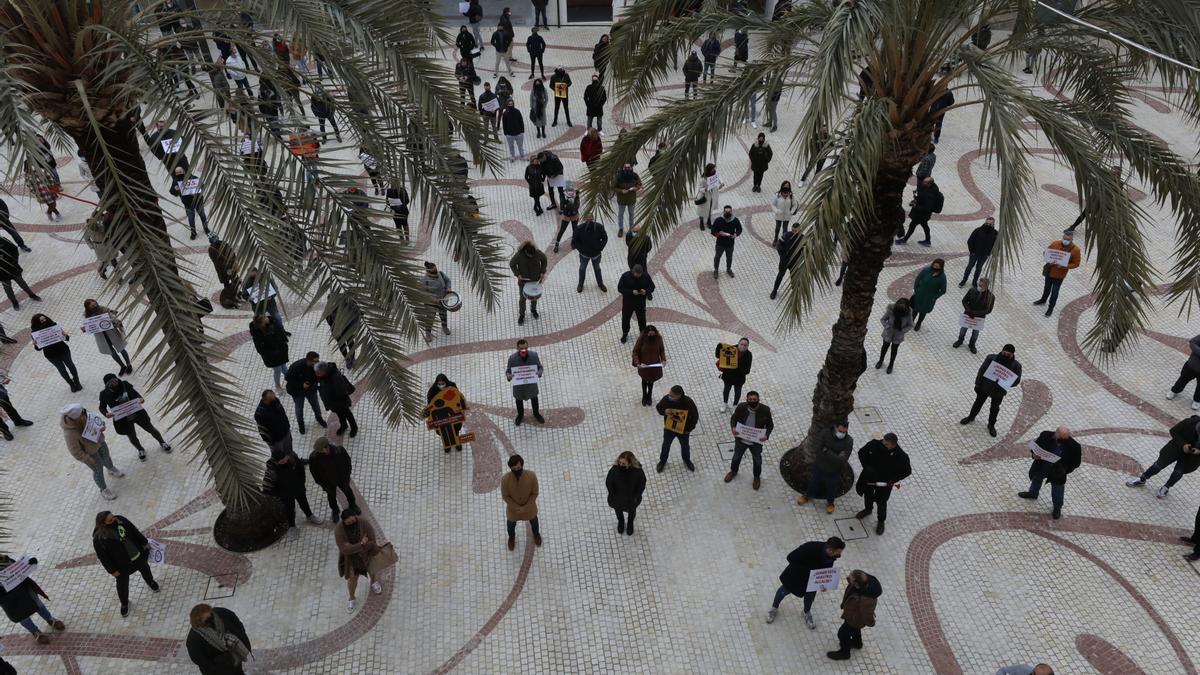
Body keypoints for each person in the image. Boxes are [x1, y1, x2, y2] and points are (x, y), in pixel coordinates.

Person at [765, 537, 845, 629]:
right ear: (831, 550)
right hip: (796, 576)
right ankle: (774, 608)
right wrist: (807, 570)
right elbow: (790, 557)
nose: (839, 555)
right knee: (783, 591)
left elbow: (826, 570)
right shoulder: (810, 547)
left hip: (812, 581)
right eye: (838, 553)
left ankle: (806, 612)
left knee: (809, 597)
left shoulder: (831, 556)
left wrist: (823, 583)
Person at [92, 511, 159, 616]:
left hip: (137, 555)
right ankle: (124, 603)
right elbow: (103, 557)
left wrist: (144, 542)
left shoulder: (121, 520)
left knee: (145, 569)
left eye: (112, 517)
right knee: (122, 585)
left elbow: (133, 530)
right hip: (121, 565)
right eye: (110, 520)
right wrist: (112, 570)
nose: (113, 519)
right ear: (103, 523)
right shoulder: (99, 538)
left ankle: (150, 582)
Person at [99, 373, 170, 461]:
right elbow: (102, 407)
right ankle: (140, 449)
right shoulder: (104, 394)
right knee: (132, 436)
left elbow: (135, 393)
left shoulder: (125, 384)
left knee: (151, 429)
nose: (114, 383)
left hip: (137, 413)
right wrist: (106, 413)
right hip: (123, 420)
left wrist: (140, 398)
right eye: (111, 382)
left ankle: (162, 442)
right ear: (107, 385)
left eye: (115, 380)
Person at [1125, 415, 1200, 498]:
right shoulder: (1189, 422)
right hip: (1175, 448)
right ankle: (1142, 479)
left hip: (1191, 457)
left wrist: (1198, 451)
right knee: (1158, 465)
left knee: (1178, 473)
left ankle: (1166, 487)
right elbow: (1174, 431)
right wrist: (1183, 444)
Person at [1018, 426, 1081, 519]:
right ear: (1056, 434)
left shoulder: (1074, 446)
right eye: (1061, 439)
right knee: (1036, 479)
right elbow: (1035, 447)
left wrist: (1064, 470)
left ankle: (1057, 508)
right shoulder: (1045, 435)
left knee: (1058, 490)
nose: (1062, 441)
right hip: (1042, 465)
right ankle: (1032, 494)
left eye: (1065, 439)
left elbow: (1076, 463)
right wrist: (1034, 454)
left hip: (1057, 472)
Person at [0, 554, 65, 645]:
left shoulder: (2, 558)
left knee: (38, 605)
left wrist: (28, 564)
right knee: (22, 616)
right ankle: (35, 631)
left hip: (23, 588)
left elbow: (15, 566)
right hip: (7, 598)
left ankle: (50, 619)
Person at [960, 343, 1022, 437]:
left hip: (999, 391)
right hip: (985, 387)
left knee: (994, 409)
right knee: (978, 403)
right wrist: (978, 384)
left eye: (1008, 354)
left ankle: (991, 425)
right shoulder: (991, 358)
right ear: (1002, 351)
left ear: (1012, 354)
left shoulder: (1016, 366)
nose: (1005, 355)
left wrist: (1005, 382)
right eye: (1004, 352)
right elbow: (982, 371)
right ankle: (971, 417)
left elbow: (1016, 381)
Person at [854, 433, 911, 534]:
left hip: (885, 482)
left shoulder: (901, 456)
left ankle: (881, 521)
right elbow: (861, 453)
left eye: (886, 444)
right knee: (868, 494)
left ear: (893, 445)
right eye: (883, 442)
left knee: (881, 501)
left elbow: (906, 471)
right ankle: (868, 509)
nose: (883, 445)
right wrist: (866, 467)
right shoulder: (875, 444)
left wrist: (893, 479)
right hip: (870, 477)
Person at [63, 404, 123, 500]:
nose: (86, 415)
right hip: (90, 452)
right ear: (76, 418)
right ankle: (103, 489)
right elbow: (75, 450)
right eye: (83, 415)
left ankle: (111, 468)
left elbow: (97, 421)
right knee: (97, 470)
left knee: (106, 455)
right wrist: (86, 459)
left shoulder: (85, 414)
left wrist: (102, 425)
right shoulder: (70, 433)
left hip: (99, 442)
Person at [826, 570, 883, 660]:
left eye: (850, 580)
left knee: (842, 634)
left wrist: (871, 623)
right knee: (855, 630)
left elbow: (868, 614)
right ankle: (857, 643)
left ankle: (845, 653)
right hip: (855, 617)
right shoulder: (863, 584)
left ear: (857, 584)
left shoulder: (865, 600)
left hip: (855, 619)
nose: (848, 580)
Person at [334, 509, 382, 614]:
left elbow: (372, 540)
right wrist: (361, 544)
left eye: (353, 521)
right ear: (344, 521)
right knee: (352, 579)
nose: (351, 523)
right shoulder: (339, 530)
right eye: (349, 522)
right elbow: (345, 549)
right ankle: (351, 598)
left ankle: (374, 582)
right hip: (351, 559)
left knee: (372, 569)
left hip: (366, 554)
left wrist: (357, 547)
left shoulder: (363, 522)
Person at [799, 421, 852, 514]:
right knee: (813, 482)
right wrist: (835, 455)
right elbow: (817, 448)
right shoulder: (825, 433)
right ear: (835, 427)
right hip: (819, 465)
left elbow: (843, 459)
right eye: (840, 431)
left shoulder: (848, 441)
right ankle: (807, 496)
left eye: (844, 432)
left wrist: (827, 451)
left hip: (834, 469)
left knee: (832, 487)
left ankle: (830, 503)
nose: (842, 434)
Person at [263, 444, 321, 529]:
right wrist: (282, 494)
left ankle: (310, 516)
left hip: (299, 489)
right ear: (276, 461)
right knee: (289, 510)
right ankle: (292, 526)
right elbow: (267, 489)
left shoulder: (292, 459)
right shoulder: (271, 472)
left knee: (304, 504)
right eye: (282, 461)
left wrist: (301, 483)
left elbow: (301, 469)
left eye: (285, 459)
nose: (285, 462)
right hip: (286, 496)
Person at [725, 391, 773, 490]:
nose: (752, 401)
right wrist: (733, 427)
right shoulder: (741, 407)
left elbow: (770, 425)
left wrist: (766, 435)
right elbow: (733, 419)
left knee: (757, 461)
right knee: (736, 458)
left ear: (758, 400)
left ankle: (756, 477)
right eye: (750, 400)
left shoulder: (765, 410)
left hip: (756, 442)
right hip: (741, 439)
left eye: (754, 399)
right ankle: (733, 471)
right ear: (746, 400)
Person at [186, 603, 252, 675]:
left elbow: (237, 624)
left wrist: (243, 639)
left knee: (239, 672)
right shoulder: (193, 639)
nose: (210, 618)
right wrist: (220, 663)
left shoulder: (221, 613)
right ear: (199, 622)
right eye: (205, 619)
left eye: (210, 615)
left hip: (235, 655)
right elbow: (199, 660)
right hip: (220, 669)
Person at [1032, 229, 1081, 317]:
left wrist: (1064, 266)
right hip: (1050, 271)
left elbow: (1076, 264)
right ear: (1062, 237)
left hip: (1060, 274)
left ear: (1071, 240)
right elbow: (1046, 252)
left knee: (1055, 291)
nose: (1065, 241)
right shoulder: (1055, 243)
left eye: (1068, 240)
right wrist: (1048, 258)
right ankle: (1043, 300)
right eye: (1064, 238)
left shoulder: (1076, 250)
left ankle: (1051, 307)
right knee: (1047, 287)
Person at [310, 436, 357, 522]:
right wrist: (321, 483)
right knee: (331, 496)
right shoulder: (314, 457)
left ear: (326, 447)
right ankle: (335, 510)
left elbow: (347, 462)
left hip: (341, 478)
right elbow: (314, 472)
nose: (318, 451)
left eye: (320, 449)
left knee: (347, 491)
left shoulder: (339, 451)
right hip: (327, 482)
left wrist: (347, 475)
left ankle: (353, 505)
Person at [655, 385, 699, 473]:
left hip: (683, 431)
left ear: (679, 395)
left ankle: (687, 460)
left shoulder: (688, 402)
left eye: (672, 395)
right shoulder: (666, 399)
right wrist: (664, 412)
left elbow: (695, 416)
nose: (669, 396)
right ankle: (662, 461)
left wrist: (689, 429)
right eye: (669, 394)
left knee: (685, 446)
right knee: (666, 445)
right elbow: (658, 407)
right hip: (669, 429)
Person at [82, 299, 133, 375]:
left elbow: (113, 317)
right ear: (88, 308)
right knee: (112, 353)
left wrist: (113, 321)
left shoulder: (104, 310)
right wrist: (85, 329)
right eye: (92, 306)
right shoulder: (87, 316)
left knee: (121, 349)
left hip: (112, 334)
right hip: (101, 337)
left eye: (95, 304)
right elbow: (89, 327)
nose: (95, 306)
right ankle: (122, 366)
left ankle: (129, 364)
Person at [501, 454, 542, 549]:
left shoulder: (531, 476)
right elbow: (505, 496)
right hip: (513, 510)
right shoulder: (505, 480)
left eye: (518, 468)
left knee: (534, 521)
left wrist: (526, 508)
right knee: (510, 525)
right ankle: (511, 537)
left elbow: (534, 493)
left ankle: (536, 534)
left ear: (522, 465)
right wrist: (517, 508)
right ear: (510, 468)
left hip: (529, 508)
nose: (516, 470)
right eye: (514, 469)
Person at [32, 314, 80, 391]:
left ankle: (77, 381)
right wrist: (35, 345)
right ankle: (71, 383)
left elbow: (66, 338)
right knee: (61, 369)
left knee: (70, 365)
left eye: (45, 319)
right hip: (51, 355)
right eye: (42, 320)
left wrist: (65, 335)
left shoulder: (54, 325)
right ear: (37, 322)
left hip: (63, 350)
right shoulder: (35, 333)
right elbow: (38, 349)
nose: (44, 321)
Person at [285, 352, 326, 435]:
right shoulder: (296, 366)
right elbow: (287, 378)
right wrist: (301, 385)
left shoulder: (316, 366)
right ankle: (301, 424)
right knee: (299, 409)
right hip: (298, 391)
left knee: (316, 405)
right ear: (309, 361)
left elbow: (318, 377)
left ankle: (319, 418)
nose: (318, 362)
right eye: (315, 361)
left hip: (310, 390)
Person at [895, 177, 944, 245]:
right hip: (924, 215)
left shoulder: (929, 195)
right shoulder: (929, 189)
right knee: (925, 225)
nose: (922, 183)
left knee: (912, 225)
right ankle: (927, 241)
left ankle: (904, 240)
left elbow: (926, 207)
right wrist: (916, 196)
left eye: (924, 182)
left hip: (921, 214)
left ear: (929, 184)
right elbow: (922, 199)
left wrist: (915, 206)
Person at [506, 339, 545, 425]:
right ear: (517, 348)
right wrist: (509, 376)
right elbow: (508, 371)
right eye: (521, 348)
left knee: (534, 399)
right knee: (519, 400)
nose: (524, 350)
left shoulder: (534, 355)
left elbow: (540, 367)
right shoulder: (512, 358)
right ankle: (520, 415)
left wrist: (540, 372)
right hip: (519, 386)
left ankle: (536, 413)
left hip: (531, 384)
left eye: (526, 348)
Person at [606, 451, 646, 535]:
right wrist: (613, 494)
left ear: (630, 463)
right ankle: (621, 521)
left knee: (632, 512)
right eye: (620, 462)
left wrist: (636, 496)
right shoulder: (614, 469)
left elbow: (642, 483)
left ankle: (630, 523)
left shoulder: (637, 471)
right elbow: (609, 482)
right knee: (618, 510)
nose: (620, 465)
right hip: (617, 498)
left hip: (631, 499)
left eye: (623, 463)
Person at [317, 361, 358, 437]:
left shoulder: (335, 377)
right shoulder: (322, 377)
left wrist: (331, 397)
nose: (317, 374)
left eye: (318, 373)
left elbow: (341, 392)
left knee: (348, 414)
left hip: (341, 401)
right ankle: (344, 425)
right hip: (333, 403)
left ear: (324, 371)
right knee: (340, 414)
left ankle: (354, 428)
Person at [510, 241, 547, 325]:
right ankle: (522, 315)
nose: (531, 256)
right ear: (526, 252)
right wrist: (518, 274)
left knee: (534, 297)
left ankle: (533, 310)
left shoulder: (537, 253)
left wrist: (542, 272)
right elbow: (512, 264)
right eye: (530, 255)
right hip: (523, 282)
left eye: (533, 255)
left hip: (535, 281)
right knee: (522, 299)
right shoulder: (519, 255)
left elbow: (544, 260)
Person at [953, 277, 995, 353]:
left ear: (986, 286)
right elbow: (964, 301)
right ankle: (960, 340)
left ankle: (972, 344)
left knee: (975, 333)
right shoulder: (972, 290)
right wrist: (969, 310)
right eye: (979, 284)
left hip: (979, 318)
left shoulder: (990, 296)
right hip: (968, 315)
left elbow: (988, 310)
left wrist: (976, 313)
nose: (980, 286)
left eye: (982, 285)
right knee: (963, 329)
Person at [0, 234, 41, 309]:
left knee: (22, 283)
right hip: (2, 273)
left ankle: (32, 295)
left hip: (12, 268)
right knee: (8, 288)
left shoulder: (2, 240)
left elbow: (14, 249)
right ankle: (14, 302)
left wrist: (14, 261)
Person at [249, 314, 289, 389]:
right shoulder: (258, 335)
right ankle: (277, 385)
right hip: (272, 356)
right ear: (261, 324)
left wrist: (284, 342)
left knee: (284, 367)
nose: (266, 317)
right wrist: (273, 353)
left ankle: (290, 379)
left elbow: (280, 331)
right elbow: (260, 349)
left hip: (281, 350)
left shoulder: (272, 322)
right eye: (264, 318)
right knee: (277, 370)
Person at [168, 166, 210, 239]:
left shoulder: (192, 177)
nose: (178, 174)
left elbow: (202, 186)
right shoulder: (176, 181)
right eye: (177, 173)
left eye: (180, 172)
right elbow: (172, 191)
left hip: (198, 201)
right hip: (187, 204)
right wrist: (176, 189)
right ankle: (193, 232)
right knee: (191, 218)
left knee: (202, 215)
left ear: (184, 171)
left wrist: (197, 190)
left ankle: (206, 228)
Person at [618, 264, 654, 342]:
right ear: (633, 271)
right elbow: (620, 288)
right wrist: (631, 292)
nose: (638, 276)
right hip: (628, 303)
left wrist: (646, 291)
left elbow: (652, 287)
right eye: (636, 274)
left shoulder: (646, 276)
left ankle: (643, 334)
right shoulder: (625, 276)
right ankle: (625, 333)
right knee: (625, 319)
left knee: (642, 320)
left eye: (639, 274)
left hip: (640, 303)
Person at [572, 216, 608, 293]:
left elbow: (605, 238)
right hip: (584, 254)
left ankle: (600, 283)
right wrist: (581, 250)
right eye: (587, 218)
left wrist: (600, 248)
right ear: (585, 219)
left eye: (590, 218)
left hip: (596, 254)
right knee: (582, 269)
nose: (589, 220)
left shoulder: (599, 227)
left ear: (593, 218)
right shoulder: (580, 228)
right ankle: (580, 284)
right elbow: (575, 240)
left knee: (597, 269)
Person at [716, 337, 753, 410]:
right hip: (728, 376)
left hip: (739, 379)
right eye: (741, 344)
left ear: (747, 346)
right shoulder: (731, 349)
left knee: (737, 392)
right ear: (738, 344)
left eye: (745, 345)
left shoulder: (749, 355)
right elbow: (718, 355)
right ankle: (725, 403)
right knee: (726, 390)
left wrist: (736, 367)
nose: (742, 346)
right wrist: (718, 347)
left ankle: (735, 405)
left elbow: (747, 371)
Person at [960, 216, 998, 287]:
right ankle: (964, 280)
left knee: (978, 269)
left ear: (993, 224)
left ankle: (974, 282)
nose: (988, 225)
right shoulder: (978, 230)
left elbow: (996, 246)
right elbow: (970, 241)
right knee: (969, 267)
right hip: (974, 254)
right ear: (985, 222)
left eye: (990, 224)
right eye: (987, 223)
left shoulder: (995, 233)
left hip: (984, 256)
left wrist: (989, 253)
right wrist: (972, 251)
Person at [632, 325, 665, 406]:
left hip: (654, 365)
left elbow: (662, 350)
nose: (651, 336)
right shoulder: (642, 339)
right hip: (644, 364)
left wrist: (663, 360)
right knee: (644, 380)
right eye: (650, 334)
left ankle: (649, 395)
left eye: (653, 334)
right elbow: (635, 351)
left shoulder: (658, 338)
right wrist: (638, 363)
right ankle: (644, 395)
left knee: (651, 381)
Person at [771, 222, 804, 300]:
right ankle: (774, 290)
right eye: (792, 230)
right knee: (780, 276)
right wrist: (782, 255)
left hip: (794, 261)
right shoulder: (786, 235)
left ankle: (794, 293)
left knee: (794, 278)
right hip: (784, 261)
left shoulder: (802, 238)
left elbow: (804, 249)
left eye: (795, 231)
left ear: (799, 230)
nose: (794, 232)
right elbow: (779, 245)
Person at [910, 259, 946, 331]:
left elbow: (943, 290)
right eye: (934, 265)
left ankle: (919, 323)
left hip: (929, 298)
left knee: (923, 312)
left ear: (940, 267)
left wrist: (934, 297)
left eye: (937, 266)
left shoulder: (942, 277)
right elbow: (918, 279)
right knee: (915, 309)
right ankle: (911, 322)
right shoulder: (926, 270)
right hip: (919, 294)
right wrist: (916, 289)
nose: (935, 267)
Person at [1167, 334, 1200, 410]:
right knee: (1183, 380)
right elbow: (1192, 342)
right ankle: (1174, 391)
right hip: (1192, 366)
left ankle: (1197, 400)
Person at [710, 205, 742, 279]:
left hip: (730, 243)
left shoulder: (735, 220)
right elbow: (713, 231)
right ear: (724, 211)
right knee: (717, 257)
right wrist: (718, 234)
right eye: (726, 211)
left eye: (729, 211)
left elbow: (739, 229)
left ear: (731, 211)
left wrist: (736, 234)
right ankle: (716, 270)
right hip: (720, 243)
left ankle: (728, 269)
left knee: (729, 257)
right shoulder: (718, 220)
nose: (728, 213)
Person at [613, 163, 642, 237]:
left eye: (629, 167)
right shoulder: (619, 176)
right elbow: (613, 187)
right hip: (621, 199)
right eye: (626, 167)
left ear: (631, 168)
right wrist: (621, 191)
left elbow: (640, 184)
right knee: (620, 214)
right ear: (623, 168)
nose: (627, 169)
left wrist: (637, 188)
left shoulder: (635, 175)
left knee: (631, 214)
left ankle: (631, 228)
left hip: (631, 199)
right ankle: (621, 229)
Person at [695, 164, 722, 231]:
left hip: (712, 196)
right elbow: (700, 188)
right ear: (709, 170)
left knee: (710, 209)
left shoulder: (715, 174)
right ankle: (701, 222)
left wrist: (721, 183)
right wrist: (705, 189)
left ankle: (709, 221)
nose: (714, 170)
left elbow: (719, 179)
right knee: (702, 210)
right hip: (705, 196)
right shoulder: (703, 179)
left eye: (714, 169)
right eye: (712, 169)